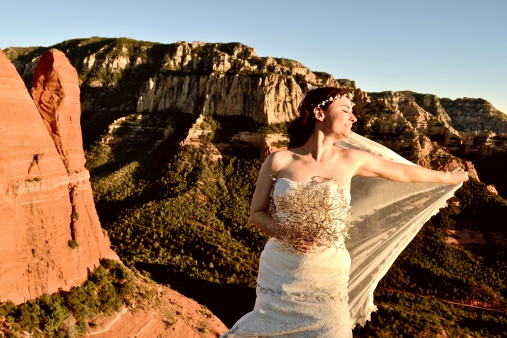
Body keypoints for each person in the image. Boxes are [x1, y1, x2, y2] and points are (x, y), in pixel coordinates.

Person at [220, 87, 469, 337]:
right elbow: (257, 212)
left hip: (327, 274)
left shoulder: (352, 159)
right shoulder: (279, 160)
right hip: (280, 272)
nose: (354, 118)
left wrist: (446, 177)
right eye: (346, 110)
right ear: (319, 113)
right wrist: (287, 233)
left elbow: (403, 173)